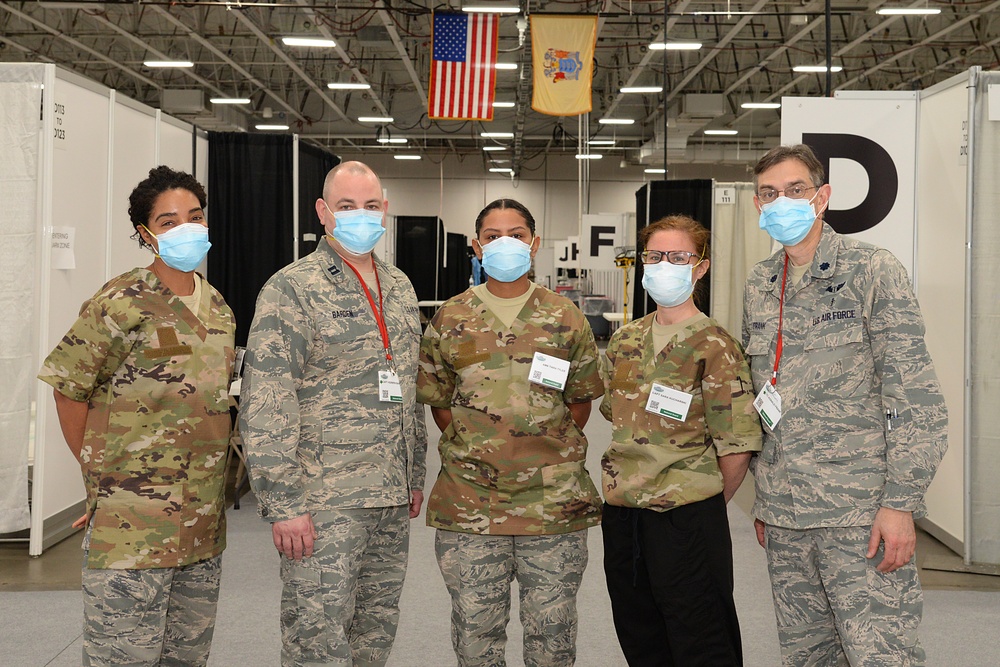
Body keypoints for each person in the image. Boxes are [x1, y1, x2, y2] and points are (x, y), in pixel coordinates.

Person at [743, 144, 948, 665]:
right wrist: (767, 498)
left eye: (795, 190)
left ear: (823, 197)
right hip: (786, 515)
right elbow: (763, 390)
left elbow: (915, 395)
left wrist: (901, 504)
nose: (781, 202)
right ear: (756, 205)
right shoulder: (760, 283)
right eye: (769, 194)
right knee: (808, 656)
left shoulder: (872, 269)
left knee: (880, 654)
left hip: (859, 514)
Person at [38, 166, 235, 665]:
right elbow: (68, 387)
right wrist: (98, 475)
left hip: (200, 525)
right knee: (123, 656)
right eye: (169, 222)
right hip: (131, 525)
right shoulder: (119, 302)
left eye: (195, 217)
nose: (186, 228)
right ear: (146, 234)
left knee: (185, 656)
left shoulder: (218, 309)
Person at [239, 161, 427, 667]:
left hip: (388, 496)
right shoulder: (291, 288)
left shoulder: (400, 286)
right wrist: (283, 503)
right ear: (324, 213)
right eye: (346, 207)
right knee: (317, 640)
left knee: (374, 632)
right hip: (323, 501)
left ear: (384, 210)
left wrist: (413, 473)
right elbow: (267, 401)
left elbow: (408, 389)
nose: (359, 216)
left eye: (369, 206)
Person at [417, 198, 604, 667]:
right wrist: (486, 445)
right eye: (494, 235)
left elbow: (580, 403)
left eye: (517, 234)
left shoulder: (565, 317)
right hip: (471, 504)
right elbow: (441, 405)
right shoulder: (450, 318)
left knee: (553, 636)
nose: (506, 243)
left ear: (534, 243)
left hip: (552, 504)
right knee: (476, 635)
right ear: (476, 247)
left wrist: (535, 444)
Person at [600, 215, 762, 666]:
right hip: (624, 515)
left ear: (701, 267)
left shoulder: (715, 344)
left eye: (678, 257)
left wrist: (698, 502)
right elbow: (617, 416)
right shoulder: (625, 340)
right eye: (654, 256)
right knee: (640, 634)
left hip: (685, 518)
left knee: (701, 638)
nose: (663, 265)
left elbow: (737, 445)